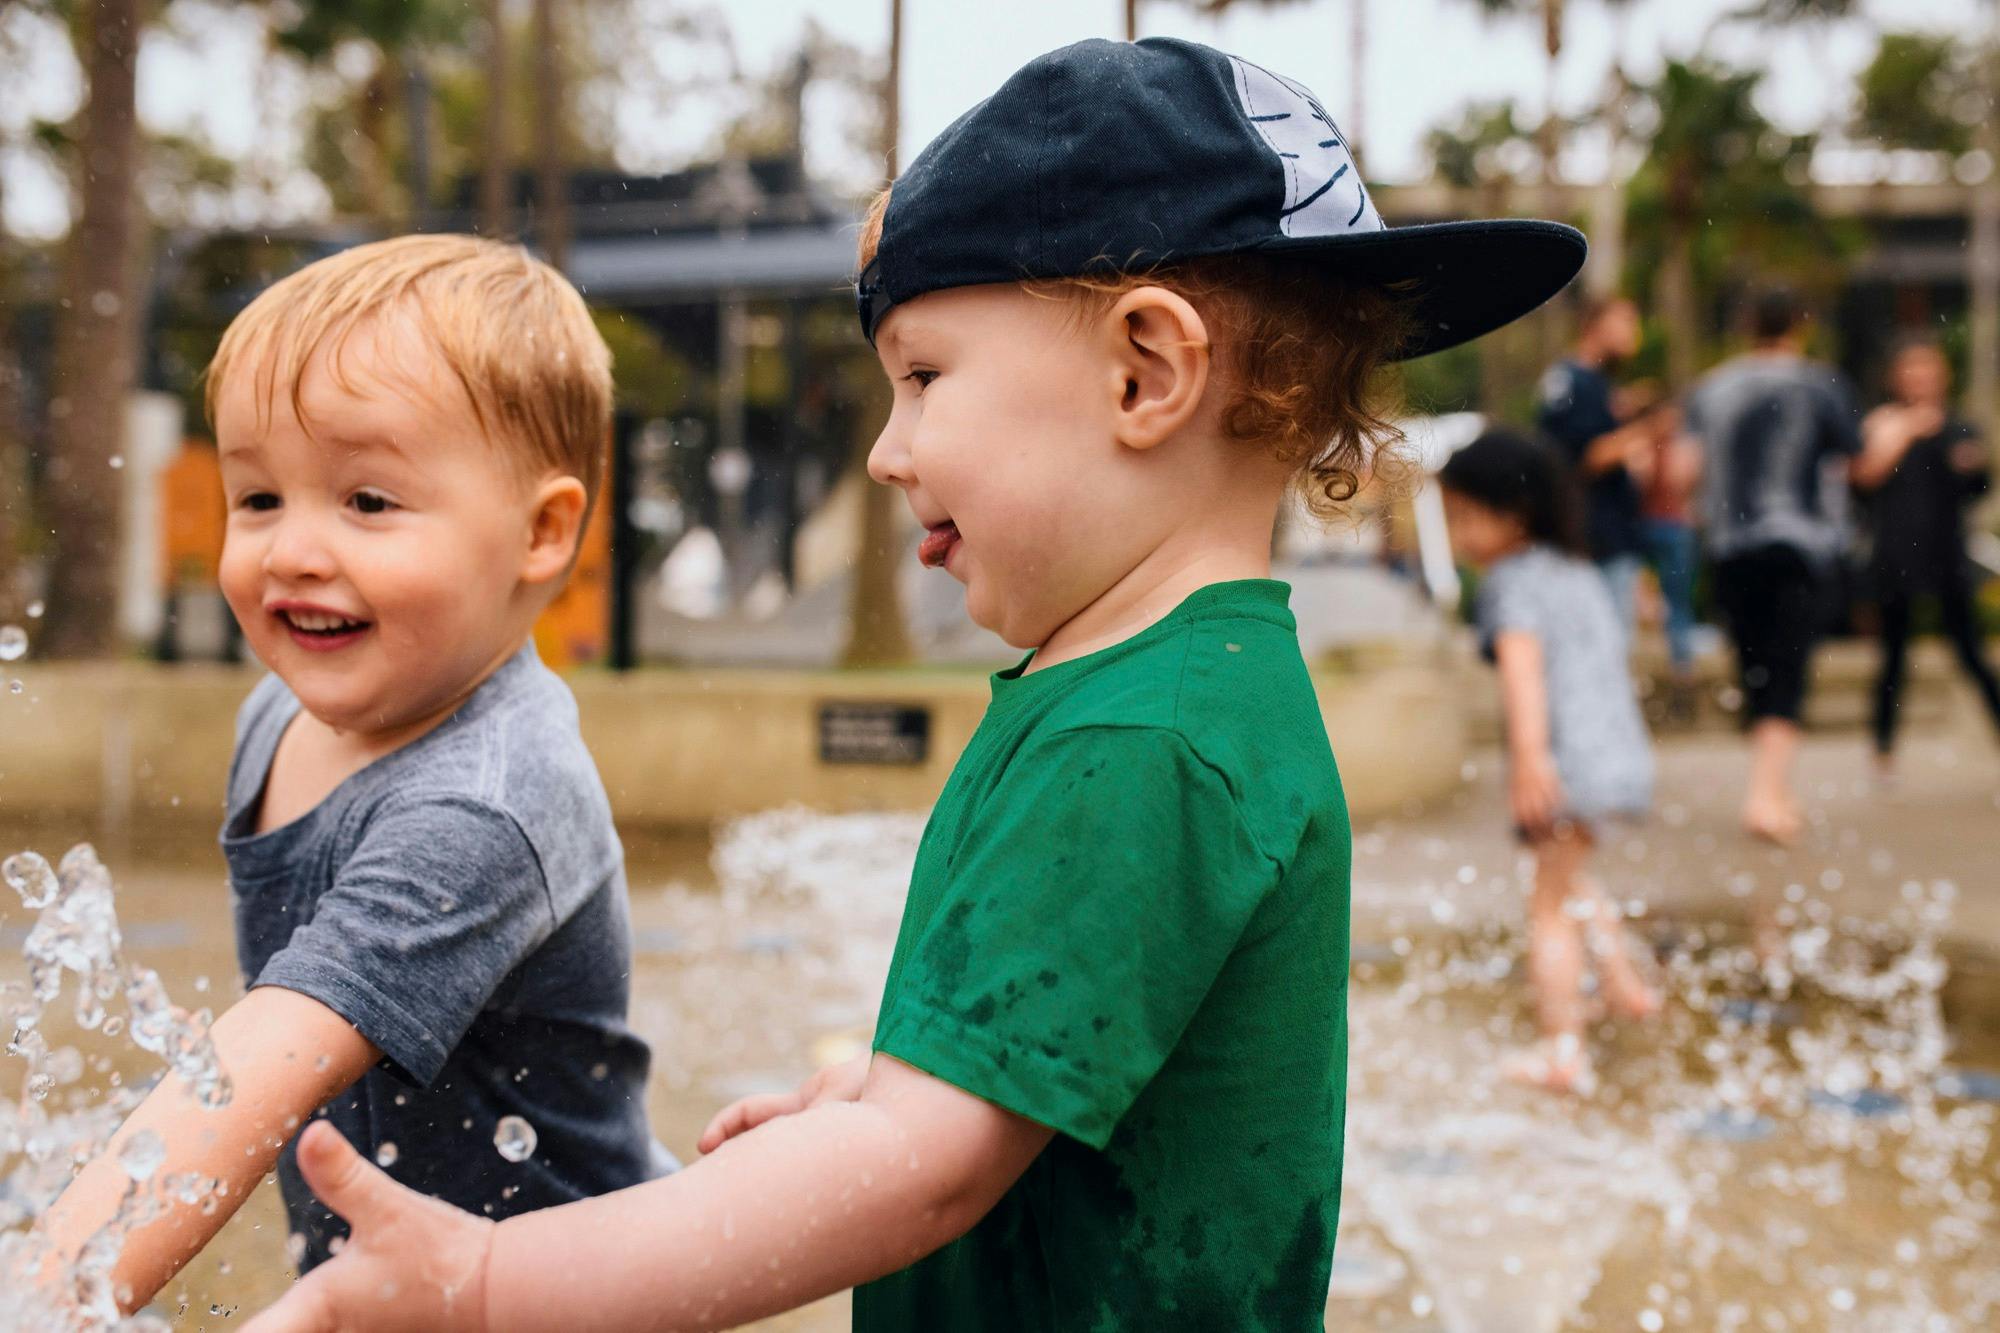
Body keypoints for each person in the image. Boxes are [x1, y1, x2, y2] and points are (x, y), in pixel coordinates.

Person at [238, 38, 1586, 1333]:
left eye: (925, 379)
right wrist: (897, 1087)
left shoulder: (1143, 738)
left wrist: (485, 1280)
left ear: (1147, 370)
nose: (890, 452)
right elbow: (1033, 1094)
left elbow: (924, 1169)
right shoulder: (1181, 682)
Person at [30, 235, 660, 1313]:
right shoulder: (283, 707)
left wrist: (38, 1298)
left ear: (541, 531)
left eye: (367, 502)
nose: (291, 551)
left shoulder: (481, 804)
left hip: (562, 1303)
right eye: (259, 497)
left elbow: (243, 1082)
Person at [1438, 428, 1659, 1095]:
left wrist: (1530, 759)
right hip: (1618, 751)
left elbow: (1524, 672)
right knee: (1568, 874)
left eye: (1460, 518)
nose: (1454, 537)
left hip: (1567, 758)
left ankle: (1563, 1050)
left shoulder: (1510, 582)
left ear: (1511, 514)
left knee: (1547, 906)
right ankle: (1623, 985)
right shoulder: (1579, 569)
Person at [1684, 288, 1863, 844]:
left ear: (1745, 324)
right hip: (1798, 546)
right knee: (1788, 670)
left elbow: (1682, 472)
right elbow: (1858, 465)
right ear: (1800, 325)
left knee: (1756, 667)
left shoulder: (1709, 387)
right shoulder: (1823, 384)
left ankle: (1774, 790)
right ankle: (1765, 798)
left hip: (1731, 547)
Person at [1853, 335, 2000, 775]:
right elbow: (1862, 480)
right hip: (1897, 554)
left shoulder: (1958, 426)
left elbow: (1977, 486)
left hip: (1946, 553)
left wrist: (1968, 463)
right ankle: (1883, 747)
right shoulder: (1883, 423)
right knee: (1893, 655)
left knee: (1970, 653)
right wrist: (1904, 431)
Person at [1536, 294, 1657, 636]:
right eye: (1625, 322)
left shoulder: (1594, 384)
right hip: (1591, 539)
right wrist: (1647, 430)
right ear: (1594, 326)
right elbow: (1578, 456)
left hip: (1604, 536)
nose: (1634, 334)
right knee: (1601, 648)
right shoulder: (1571, 380)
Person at [1634, 386, 1703, 714]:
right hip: (1650, 526)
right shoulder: (1640, 448)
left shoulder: (1683, 448)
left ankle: (1682, 671)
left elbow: (1685, 485)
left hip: (1673, 527)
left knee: (1677, 601)